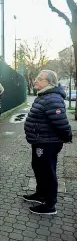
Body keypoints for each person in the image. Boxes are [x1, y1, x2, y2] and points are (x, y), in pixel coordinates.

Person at [23, 70, 72, 215]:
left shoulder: (52, 98)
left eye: (39, 78)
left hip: (47, 143)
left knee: (47, 172)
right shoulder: (44, 96)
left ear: (48, 82)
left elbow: (61, 123)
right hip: (40, 141)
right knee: (38, 168)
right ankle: (41, 194)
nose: (36, 80)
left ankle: (50, 205)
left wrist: (67, 137)